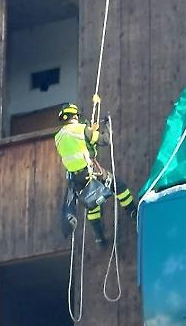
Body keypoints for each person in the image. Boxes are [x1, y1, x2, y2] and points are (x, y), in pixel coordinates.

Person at [54, 103, 136, 245]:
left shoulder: (58, 137)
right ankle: (133, 213)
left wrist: (89, 133)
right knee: (120, 188)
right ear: (76, 115)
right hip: (91, 172)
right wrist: (108, 126)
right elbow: (105, 140)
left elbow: (77, 147)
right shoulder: (82, 130)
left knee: (92, 204)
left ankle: (99, 238)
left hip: (76, 178)